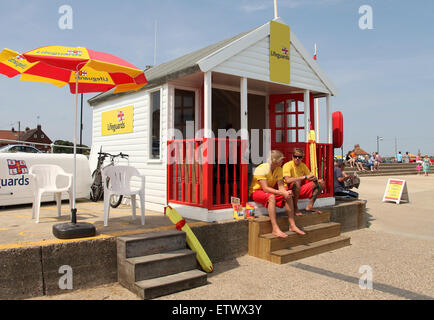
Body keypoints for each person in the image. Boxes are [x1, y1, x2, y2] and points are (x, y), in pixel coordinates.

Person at [249, 150, 305, 237]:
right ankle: (275, 229)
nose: (282, 161)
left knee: (288, 196)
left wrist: (285, 192)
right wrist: (280, 192)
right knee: (271, 197)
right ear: (275, 161)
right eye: (281, 160)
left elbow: (281, 186)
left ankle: (292, 225)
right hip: (256, 192)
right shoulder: (261, 169)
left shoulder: (279, 169)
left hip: (268, 191)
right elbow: (265, 189)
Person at [282, 148, 325, 215]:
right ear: (292, 156)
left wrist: (315, 179)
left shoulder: (303, 165)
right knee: (297, 182)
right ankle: (295, 207)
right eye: (295, 156)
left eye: (299, 157)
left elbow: (310, 176)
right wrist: (304, 177)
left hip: (298, 189)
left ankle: (310, 206)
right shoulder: (287, 165)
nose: (297, 158)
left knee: (321, 183)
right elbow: (287, 180)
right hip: (288, 190)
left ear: (302, 158)